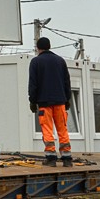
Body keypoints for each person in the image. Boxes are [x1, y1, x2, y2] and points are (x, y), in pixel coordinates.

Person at [28, 36, 73, 167]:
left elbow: (33, 84)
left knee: (47, 129)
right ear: (49, 46)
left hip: (44, 102)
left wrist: (32, 101)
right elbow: (66, 82)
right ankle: (67, 157)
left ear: (38, 48)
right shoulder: (60, 61)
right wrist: (67, 98)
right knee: (62, 128)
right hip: (60, 101)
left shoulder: (35, 62)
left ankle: (51, 157)